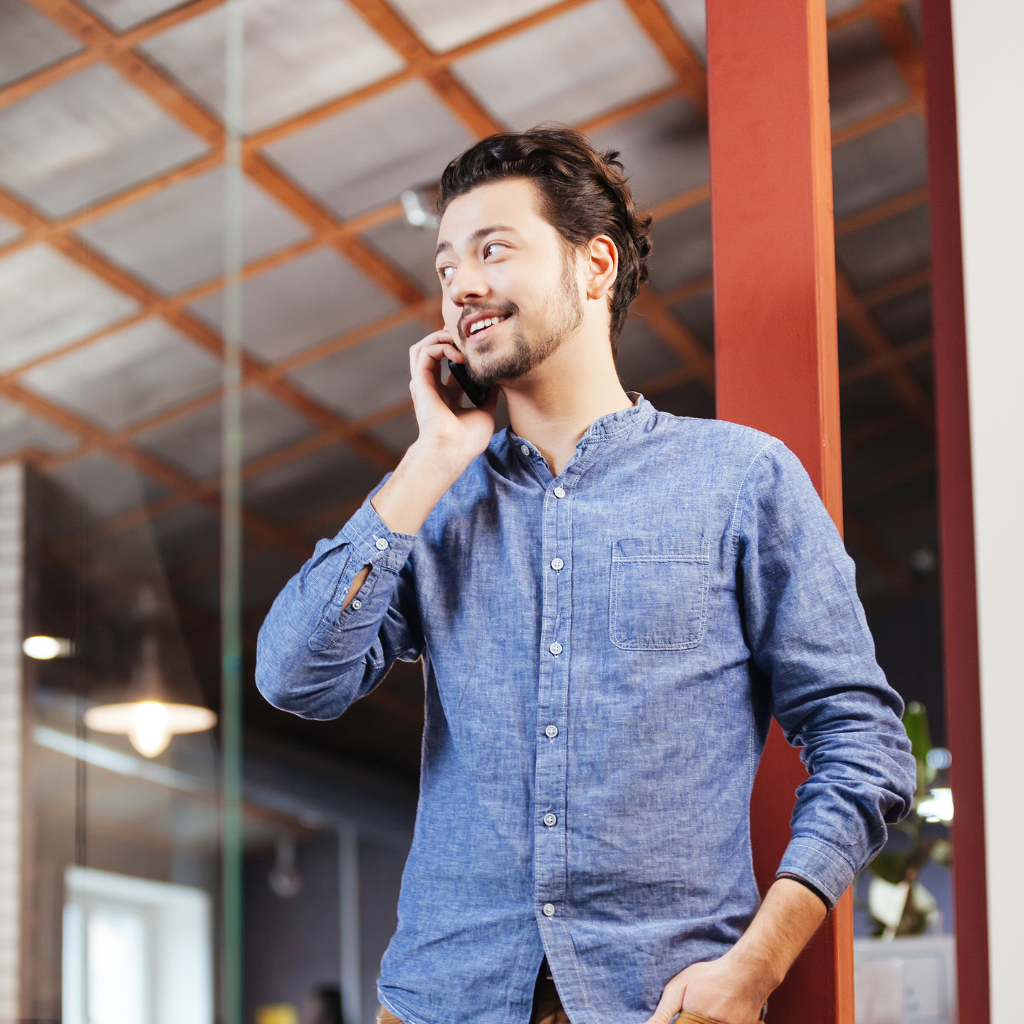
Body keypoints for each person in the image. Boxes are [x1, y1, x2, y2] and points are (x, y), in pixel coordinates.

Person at [256, 127, 915, 1024]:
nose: (462, 288)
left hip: (663, 1004)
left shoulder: (741, 480)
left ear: (594, 264)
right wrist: (431, 457)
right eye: (446, 267)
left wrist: (757, 967)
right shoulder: (433, 501)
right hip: (441, 1002)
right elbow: (295, 679)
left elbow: (863, 744)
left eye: (493, 249)